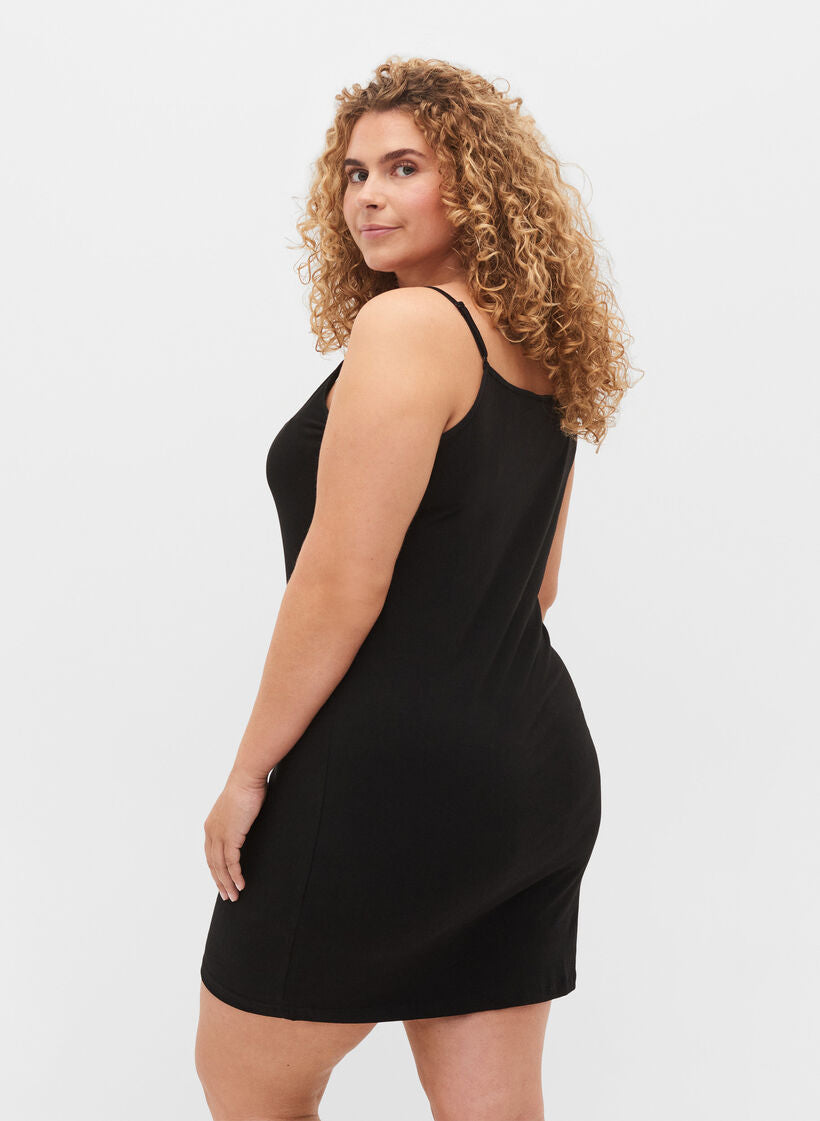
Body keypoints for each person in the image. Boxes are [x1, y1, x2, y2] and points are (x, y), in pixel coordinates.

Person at [195, 56, 635, 1121]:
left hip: (386, 768)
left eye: (404, 168)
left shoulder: (407, 328)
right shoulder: (537, 348)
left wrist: (250, 771)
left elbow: (341, 581)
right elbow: (536, 587)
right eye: (355, 173)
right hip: (532, 770)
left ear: (475, 186)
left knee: (245, 1079)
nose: (368, 197)